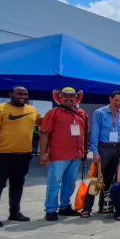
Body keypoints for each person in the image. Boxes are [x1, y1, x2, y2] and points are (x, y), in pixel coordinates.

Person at [0, 86, 44, 227]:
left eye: (25, 94)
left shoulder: (32, 110)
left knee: (17, 185)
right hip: (2, 156)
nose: (23, 96)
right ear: (10, 94)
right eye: (19, 94)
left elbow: (42, 122)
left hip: (24, 155)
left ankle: (14, 212)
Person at [39, 87, 88, 221]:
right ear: (59, 98)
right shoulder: (53, 113)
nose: (68, 99)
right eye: (65, 96)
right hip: (58, 154)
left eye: (71, 96)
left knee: (70, 182)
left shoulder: (82, 113)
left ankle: (65, 206)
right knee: (54, 182)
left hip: (76, 154)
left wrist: (84, 150)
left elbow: (85, 133)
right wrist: (43, 153)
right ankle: (50, 209)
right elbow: (44, 133)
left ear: (76, 98)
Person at [85, 90, 120, 218]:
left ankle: (104, 206)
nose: (118, 103)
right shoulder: (100, 112)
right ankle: (86, 208)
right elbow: (94, 133)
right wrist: (95, 152)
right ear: (110, 99)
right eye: (116, 100)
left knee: (109, 179)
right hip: (103, 147)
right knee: (95, 178)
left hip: (116, 148)